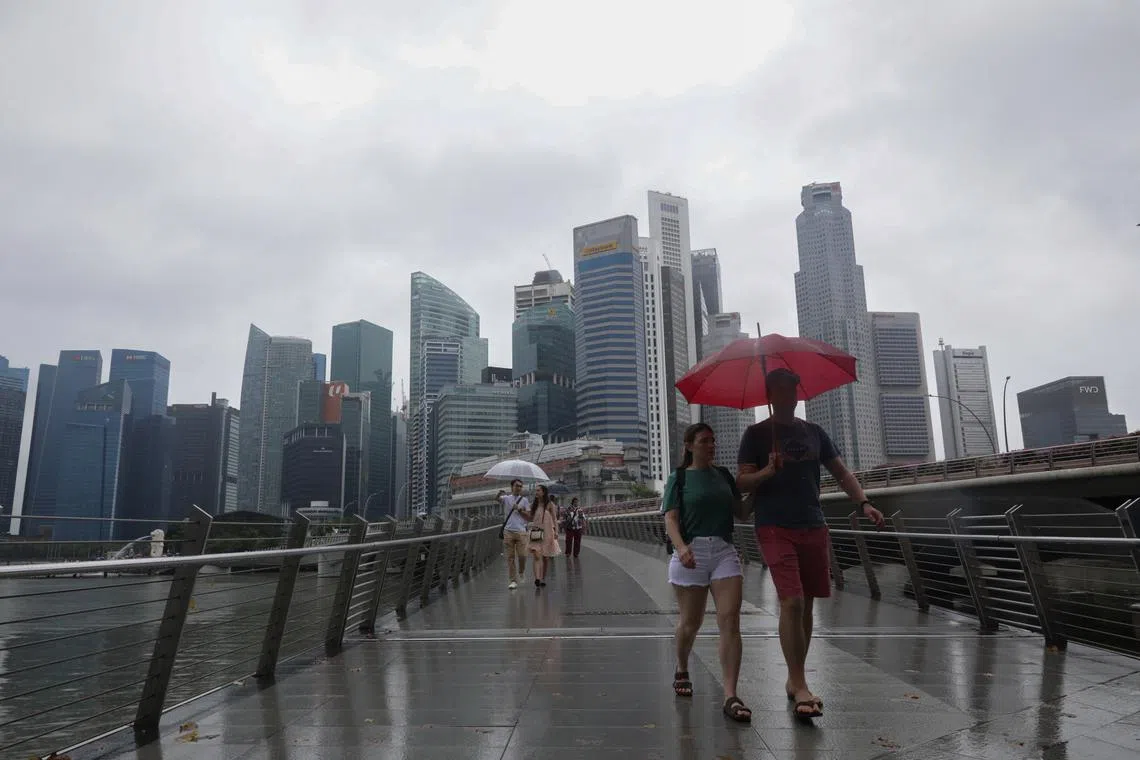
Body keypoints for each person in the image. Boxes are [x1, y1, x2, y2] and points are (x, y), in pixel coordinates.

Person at [736, 368, 884, 720]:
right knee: (792, 601)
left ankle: (794, 677)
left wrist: (864, 503)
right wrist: (767, 472)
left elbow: (841, 473)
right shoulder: (756, 435)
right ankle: (800, 683)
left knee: (806, 606)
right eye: (780, 390)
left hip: (813, 524)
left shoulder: (815, 432)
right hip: (774, 525)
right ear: (770, 395)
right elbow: (741, 482)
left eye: (792, 389)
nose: (788, 395)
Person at [663, 422, 752, 724]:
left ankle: (730, 695)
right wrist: (681, 548)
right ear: (689, 446)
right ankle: (681, 667)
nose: (711, 445)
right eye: (704, 441)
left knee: (730, 620)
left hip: (724, 550)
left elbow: (742, 513)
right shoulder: (679, 478)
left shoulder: (723, 475)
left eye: (713, 440)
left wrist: (763, 482)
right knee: (691, 623)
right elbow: (671, 519)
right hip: (691, 551)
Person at [525, 484, 562, 588]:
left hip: (548, 532)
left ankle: (542, 578)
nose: (536, 492)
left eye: (538, 490)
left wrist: (556, 531)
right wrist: (521, 511)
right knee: (537, 555)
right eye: (536, 490)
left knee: (545, 557)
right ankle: (537, 578)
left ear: (543, 492)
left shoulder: (549, 504)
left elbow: (554, 519)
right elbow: (529, 518)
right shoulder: (534, 505)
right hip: (536, 531)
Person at [499, 479, 530, 590]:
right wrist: (498, 494)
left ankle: (521, 571)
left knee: (523, 555)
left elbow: (528, 516)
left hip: (521, 531)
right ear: (512, 487)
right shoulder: (506, 498)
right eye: (517, 486)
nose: (519, 488)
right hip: (508, 531)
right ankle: (513, 580)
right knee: (510, 558)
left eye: (521, 486)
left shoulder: (525, 500)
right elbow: (497, 499)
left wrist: (520, 510)